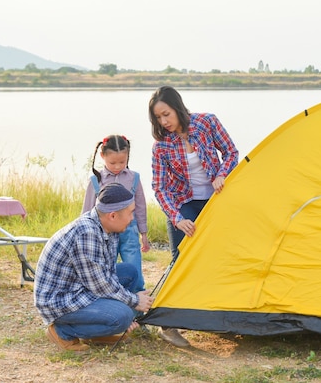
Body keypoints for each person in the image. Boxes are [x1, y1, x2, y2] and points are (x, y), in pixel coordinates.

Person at [148, 85, 239, 347]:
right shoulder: (161, 146)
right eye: (158, 118)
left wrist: (222, 173)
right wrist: (176, 217)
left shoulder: (207, 122)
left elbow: (232, 152)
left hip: (215, 200)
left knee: (218, 256)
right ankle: (168, 323)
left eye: (166, 114)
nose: (164, 122)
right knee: (181, 259)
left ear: (177, 107)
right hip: (182, 204)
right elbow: (160, 187)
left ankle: (216, 316)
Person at [34, 183, 154, 351]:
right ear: (112, 215)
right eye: (130, 213)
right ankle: (62, 331)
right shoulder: (87, 233)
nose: (132, 218)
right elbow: (100, 285)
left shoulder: (108, 228)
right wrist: (133, 301)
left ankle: (98, 331)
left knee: (129, 272)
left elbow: (107, 273)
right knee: (123, 316)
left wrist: (128, 300)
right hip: (60, 300)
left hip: (80, 286)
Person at [82, 134, 150, 293]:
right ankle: (109, 300)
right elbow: (87, 211)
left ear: (128, 157)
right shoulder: (95, 180)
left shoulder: (134, 178)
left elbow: (140, 207)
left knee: (135, 268)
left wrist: (144, 233)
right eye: (112, 162)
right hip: (103, 234)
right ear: (102, 156)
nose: (118, 166)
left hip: (129, 231)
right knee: (106, 270)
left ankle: (137, 306)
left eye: (122, 162)